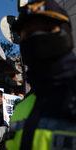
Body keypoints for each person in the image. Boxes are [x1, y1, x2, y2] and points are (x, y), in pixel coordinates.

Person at [5, 0, 76, 150]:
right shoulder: (21, 108)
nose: (37, 39)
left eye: (46, 29)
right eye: (29, 34)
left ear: (66, 35)